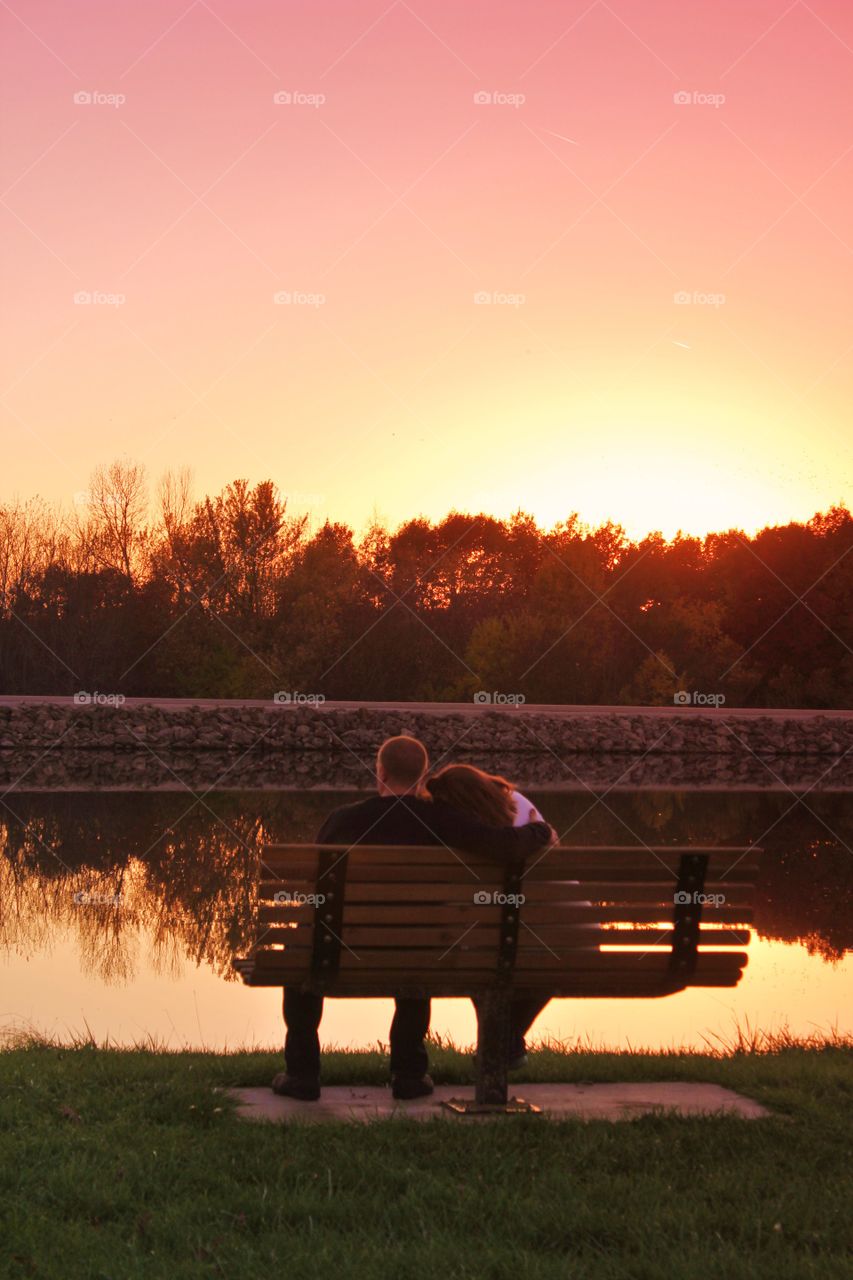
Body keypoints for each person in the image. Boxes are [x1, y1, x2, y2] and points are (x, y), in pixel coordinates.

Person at [272, 735, 554, 1102]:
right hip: (420, 953)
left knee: (304, 948)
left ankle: (302, 1074)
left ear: (381, 773)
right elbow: (504, 845)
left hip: (338, 953)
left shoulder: (343, 820)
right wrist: (540, 830)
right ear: (423, 776)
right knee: (417, 944)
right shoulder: (445, 821)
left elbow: (316, 890)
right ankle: (408, 1074)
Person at [425, 764, 561, 1068]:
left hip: (482, 942)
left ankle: (501, 1042)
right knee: (501, 948)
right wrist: (541, 831)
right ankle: (505, 1043)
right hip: (568, 943)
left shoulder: (447, 824)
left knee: (482, 948)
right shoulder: (519, 807)